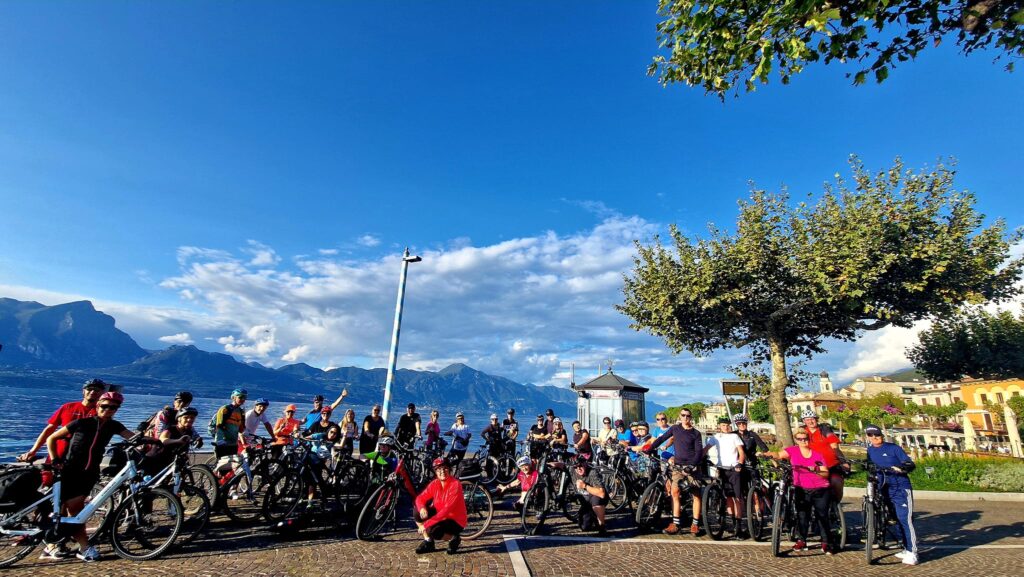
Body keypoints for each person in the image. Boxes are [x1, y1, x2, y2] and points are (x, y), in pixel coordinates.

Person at [44, 391, 157, 562]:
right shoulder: (82, 423)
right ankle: (82, 548)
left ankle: (54, 543)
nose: (108, 410)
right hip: (70, 470)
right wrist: (55, 459)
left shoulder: (114, 425)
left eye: (113, 407)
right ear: (97, 406)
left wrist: (154, 440)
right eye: (104, 406)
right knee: (74, 510)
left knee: (74, 510)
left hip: (90, 473)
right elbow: (51, 438)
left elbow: (132, 437)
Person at [761, 431, 837, 555]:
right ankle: (802, 540)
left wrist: (816, 470)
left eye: (805, 438)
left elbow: (826, 473)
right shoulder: (793, 451)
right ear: (796, 440)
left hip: (820, 488)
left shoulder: (817, 455)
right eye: (800, 439)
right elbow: (778, 454)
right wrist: (767, 454)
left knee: (822, 516)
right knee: (802, 515)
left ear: (809, 439)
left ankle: (826, 542)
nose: (803, 441)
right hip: (801, 488)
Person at [864, 424, 919, 565]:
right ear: (867, 437)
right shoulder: (870, 450)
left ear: (881, 435)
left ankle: (912, 552)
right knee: (895, 518)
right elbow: (869, 465)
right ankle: (905, 547)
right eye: (870, 435)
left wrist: (902, 468)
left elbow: (909, 464)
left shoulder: (893, 448)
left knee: (905, 518)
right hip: (883, 487)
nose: (874, 437)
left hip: (900, 488)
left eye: (876, 434)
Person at [18, 378, 106, 466]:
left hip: (83, 456)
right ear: (83, 391)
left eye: (97, 390)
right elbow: (49, 430)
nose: (92, 392)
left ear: (102, 393)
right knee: (48, 473)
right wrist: (33, 451)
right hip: (59, 452)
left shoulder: (103, 412)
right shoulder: (67, 407)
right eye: (89, 389)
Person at [648, 408, 704, 536]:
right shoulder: (675, 429)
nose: (685, 418)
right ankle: (675, 524)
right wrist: (650, 449)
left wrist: (692, 465)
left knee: (696, 494)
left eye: (688, 416)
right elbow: (661, 439)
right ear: (680, 416)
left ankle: (695, 524)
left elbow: (699, 452)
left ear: (691, 417)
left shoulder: (696, 433)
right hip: (678, 466)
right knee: (675, 492)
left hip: (692, 467)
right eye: (683, 415)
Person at [414, 457, 468, 555]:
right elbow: (420, 498)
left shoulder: (455, 484)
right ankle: (428, 542)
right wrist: (422, 508)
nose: (442, 471)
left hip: (455, 520)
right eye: (438, 469)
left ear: (450, 469)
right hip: (441, 516)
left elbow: (447, 510)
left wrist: (426, 525)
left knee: (434, 531)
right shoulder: (435, 483)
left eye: (445, 468)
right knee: (417, 512)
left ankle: (454, 538)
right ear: (435, 472)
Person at [704, 417, 747, 537]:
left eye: (727, 425)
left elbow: (741, 452)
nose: (726, 427)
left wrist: (740, 463)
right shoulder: (716, 437)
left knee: (737, 498)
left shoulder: (735, 436)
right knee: (728, 497)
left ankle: (739, 526)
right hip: (722, 469)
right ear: (720, 426)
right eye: (723, 425)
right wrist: (698, 458)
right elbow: (706, 449)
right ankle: (732, 522)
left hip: (734, 469)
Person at [800, 409, 849, 501]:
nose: (810, 421)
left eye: (812, 419)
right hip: (811, 466)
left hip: (830, 464)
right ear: (804, 421)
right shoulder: (802, 432)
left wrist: (843, 461)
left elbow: (835, 447)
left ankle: (836, 503)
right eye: (807, 419)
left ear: (816, 419)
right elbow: (797, 448)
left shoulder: (825, 430)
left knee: (837, 482)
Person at [146, 407, 201, 474]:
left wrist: (198, 440)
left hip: (174, 459)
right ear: (179, 419)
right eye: (186, 417)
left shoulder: (190, 430)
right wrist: (178, 441)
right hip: (157, 458)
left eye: (192, 418)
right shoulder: (171, 429)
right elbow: (162, 440)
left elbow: (195, 438)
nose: (189, 419)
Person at [572, 453, 608, 535]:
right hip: (586, 502)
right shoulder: (573, 472)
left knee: (597, 499)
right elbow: (562, 465)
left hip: (597, 497)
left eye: (580, 465)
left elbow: (602, 493)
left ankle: (602, 526)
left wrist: (584, 486)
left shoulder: (592, 472)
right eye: (575, 467)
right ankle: (593, 516)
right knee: (584, 527)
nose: (578, 469)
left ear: (585, 463)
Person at [211, 388, 247, 465]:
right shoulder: (225, 409)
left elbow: (241, 429)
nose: (243, 399)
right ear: (233, 397)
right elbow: (219, 426)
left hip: (233, 443)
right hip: (223, 443)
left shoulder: (241, 411)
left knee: (232, 466)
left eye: (245, 397)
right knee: (222, 465)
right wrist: (219, 441)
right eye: (240, 397)